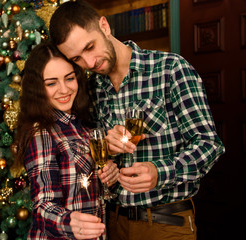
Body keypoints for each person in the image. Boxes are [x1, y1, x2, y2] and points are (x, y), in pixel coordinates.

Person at [49, 1, 225, 240]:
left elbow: (209, 145)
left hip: (166, 224)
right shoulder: (90, 89)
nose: (90, 63)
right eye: (77, 58)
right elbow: (92, 159)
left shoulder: (171, 69)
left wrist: (159, 172)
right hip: (112, 223)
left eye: (90, 47)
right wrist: (108, 159)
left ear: (104, 25)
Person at [15, 41, 119, 239]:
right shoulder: (42, 131)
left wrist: (109, 177)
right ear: (38, 89)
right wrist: (69, 222)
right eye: (51, 83)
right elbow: (43, 206)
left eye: (69, 78)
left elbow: (86, 185)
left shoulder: (84, 127)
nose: (64, 90)